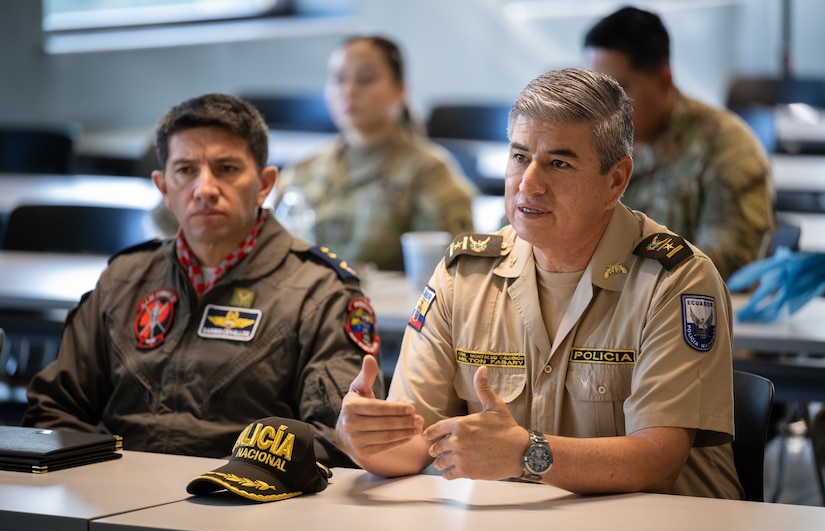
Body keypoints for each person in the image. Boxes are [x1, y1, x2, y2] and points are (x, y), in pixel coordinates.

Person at [335, 68, 744, 499]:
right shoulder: (464, 275)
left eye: (559, 163)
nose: (529, 183)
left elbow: (658, 461)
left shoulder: (676, 280)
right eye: (519, 157)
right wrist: (364, 437)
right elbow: (411, 444)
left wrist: (527, 454)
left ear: (616, 180)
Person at [23, 93, 383, 466]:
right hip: (114, 497)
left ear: (264, 183)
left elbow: (341, 439)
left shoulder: (321, 291)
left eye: (226, 169)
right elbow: (52, 412)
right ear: (164, 188)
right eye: (186, 170)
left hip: (251, 505)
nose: (205, 189)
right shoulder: (125, 278)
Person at [582, 6, 775, 282]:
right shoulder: (588, 140)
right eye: (596, 90)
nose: (603, 106)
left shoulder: (727, 147)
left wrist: (611, 271)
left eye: (619, 90)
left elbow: (729, 261)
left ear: (664, 81)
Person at [274, 34, 477, 271]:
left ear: (400, 90)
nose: (349, 91)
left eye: (365, 79)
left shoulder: (429, 173)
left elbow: (454, 272)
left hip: (394, 307)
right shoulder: (303, 170)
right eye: (338, 80)